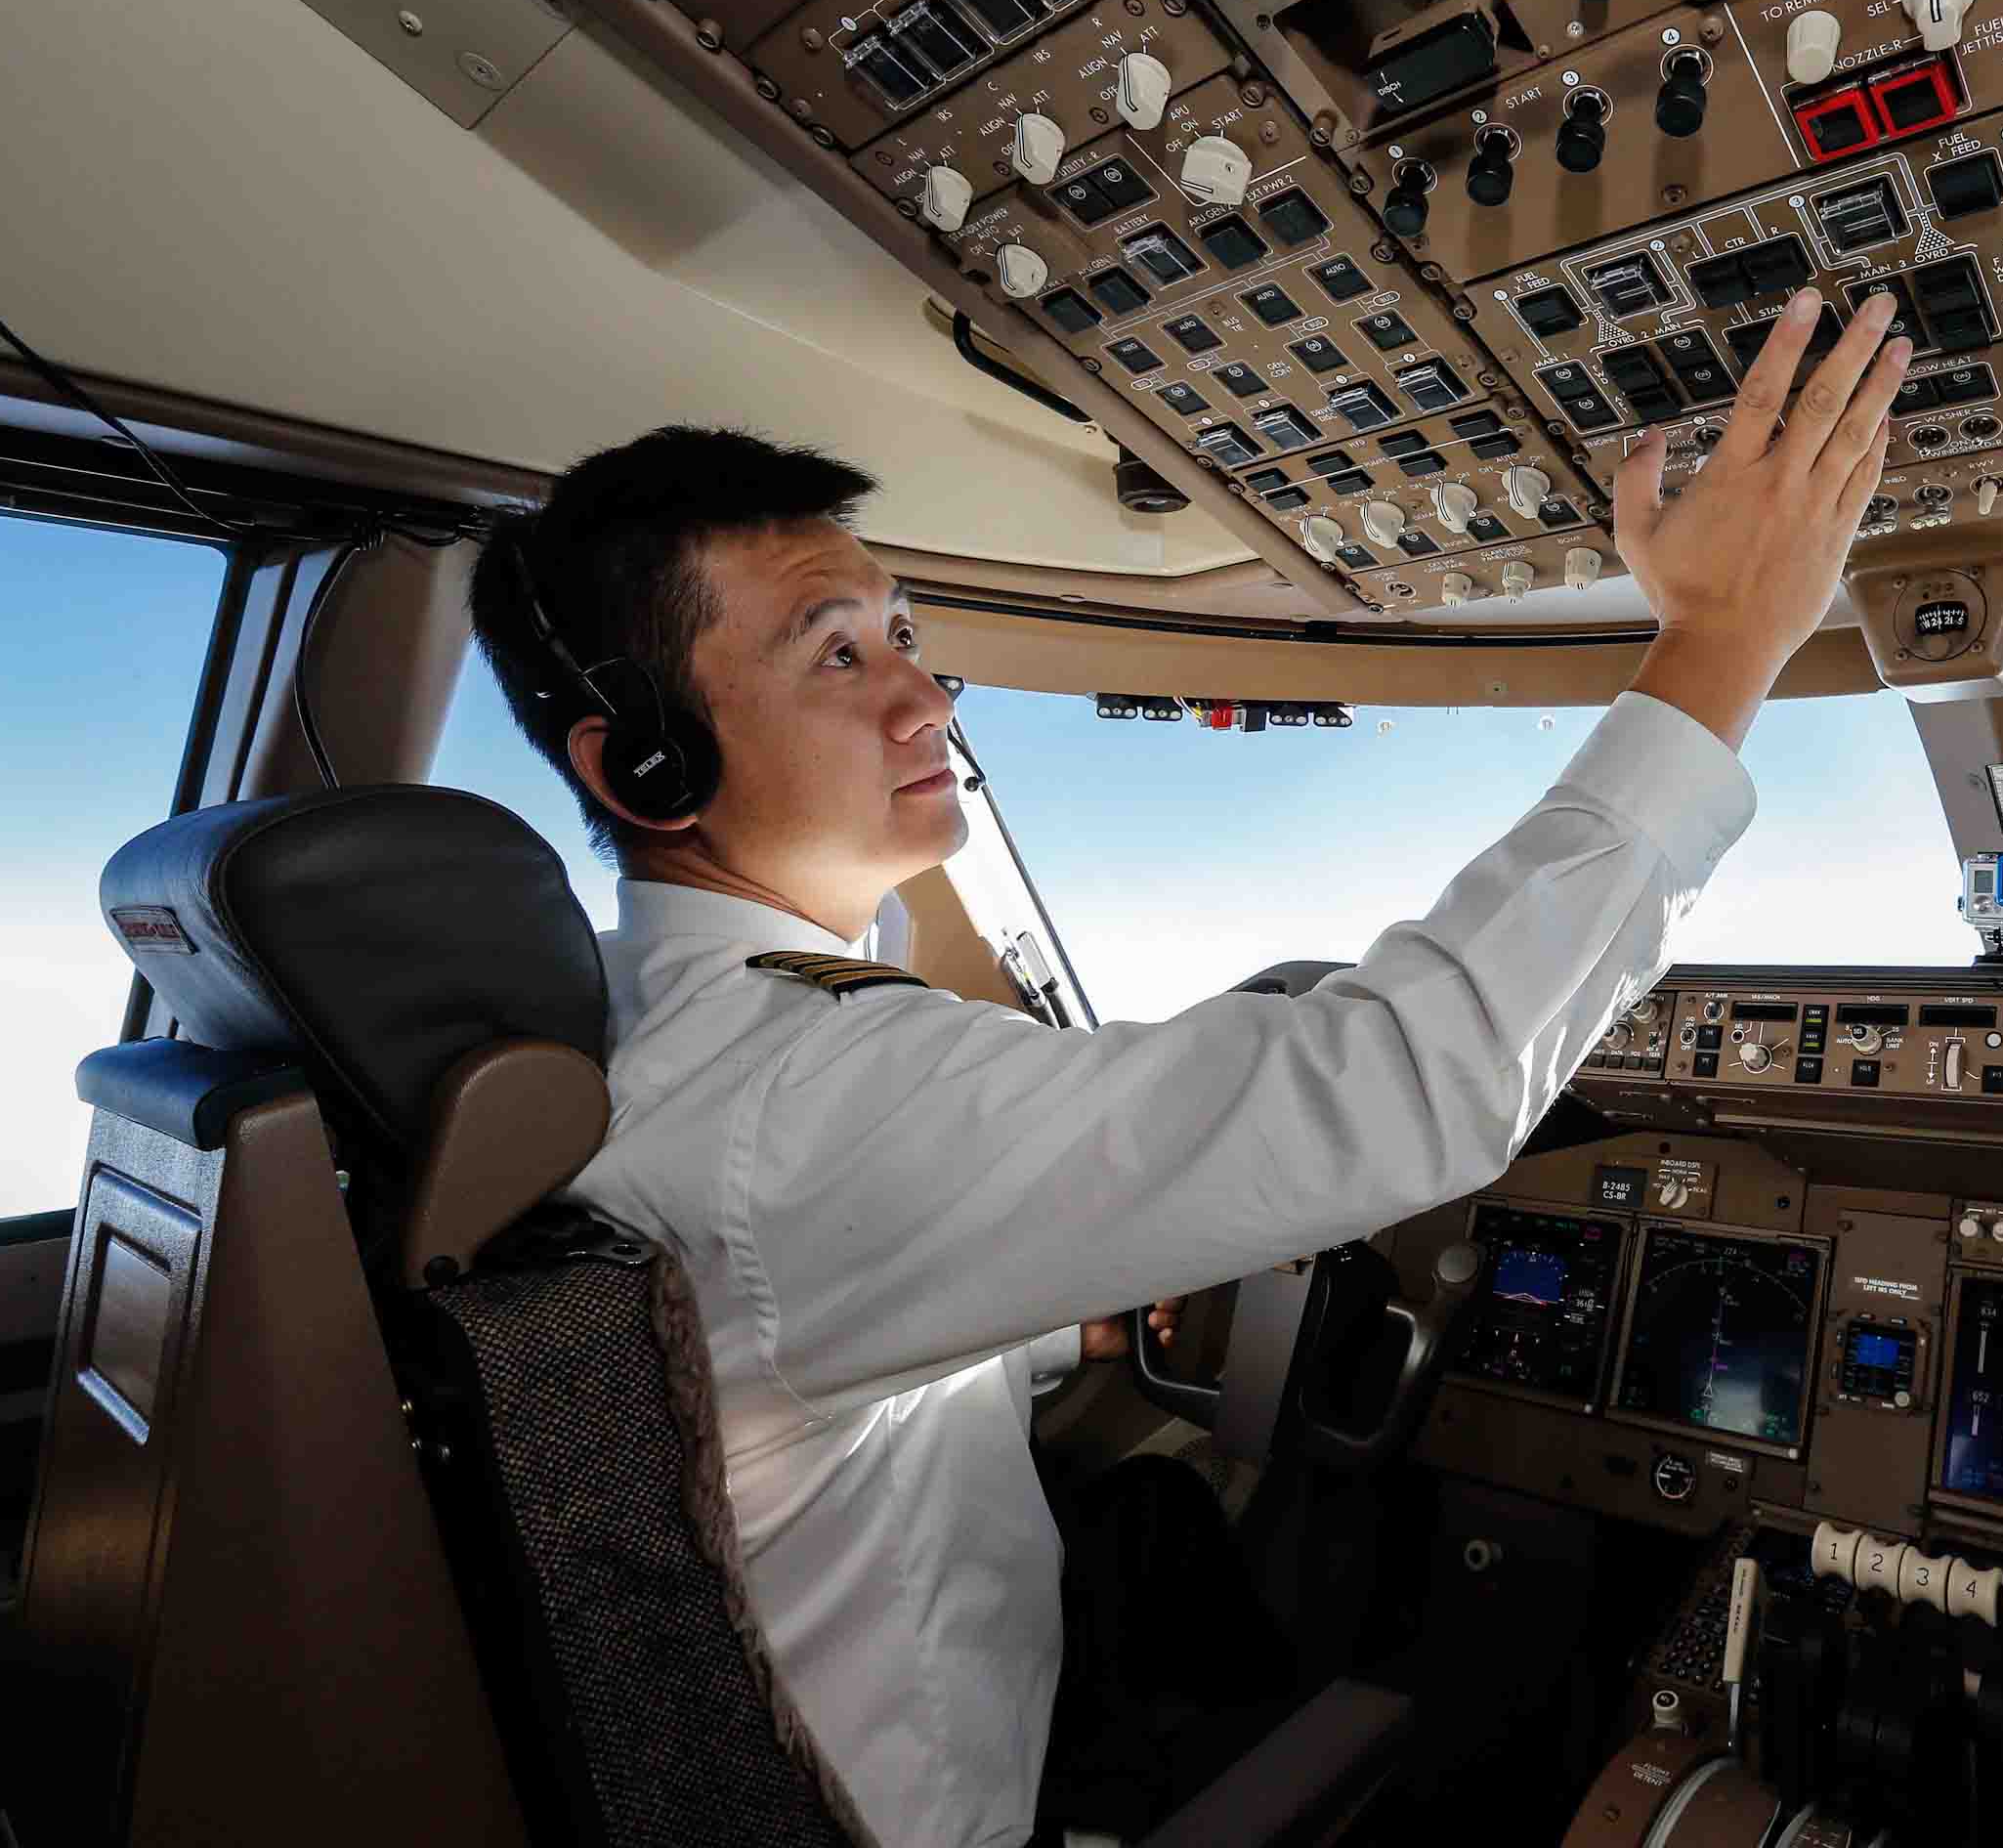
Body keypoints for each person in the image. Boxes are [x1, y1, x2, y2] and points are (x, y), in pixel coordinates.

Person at [461, 283, 1915, 1847]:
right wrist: (1722, 640)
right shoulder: (800, 1095)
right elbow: (1393, 1083)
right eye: (836, 656)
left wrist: (1062, 1318)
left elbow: (796, 1299)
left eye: (904, 634)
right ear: (648, 762)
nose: (926, 698)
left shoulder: (650, 1029)